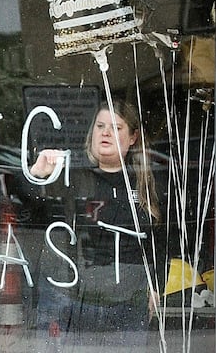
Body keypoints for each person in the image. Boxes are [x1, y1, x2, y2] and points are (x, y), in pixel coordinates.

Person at [29, 100, 164, 350]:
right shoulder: (74, 177)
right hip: (81, 298)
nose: (105, 132)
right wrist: (38, 174)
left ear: (133, 137)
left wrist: (157, 285)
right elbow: (31, 214)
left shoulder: (145, 182)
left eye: (116, 127)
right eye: (100, 126)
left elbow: (161, 239)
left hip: (131, 300)